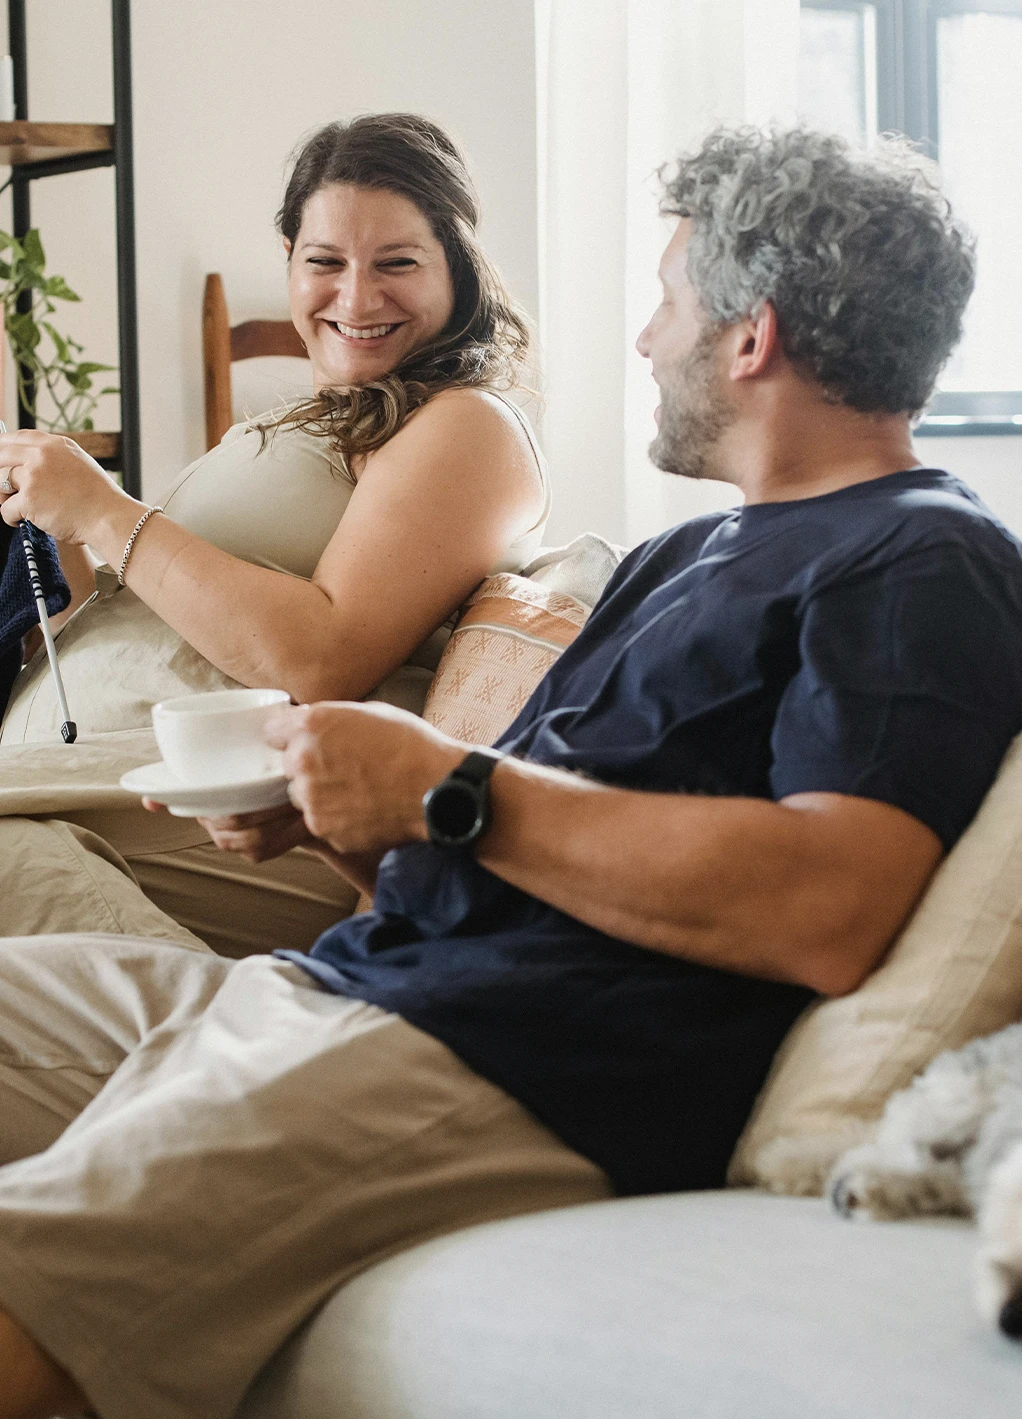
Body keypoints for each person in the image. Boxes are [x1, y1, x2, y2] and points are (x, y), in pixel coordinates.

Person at [0, 124, 1020, 1419]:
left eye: (667, 301)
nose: (646, 339)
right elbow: (490, 850)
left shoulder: (921, 559)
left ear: (749, 334)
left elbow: (828, 906)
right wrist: (347, 821)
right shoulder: (685, 553)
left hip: (504, 1053)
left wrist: (445, 785)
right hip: (336, 981)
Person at [0, 112, 548, 957]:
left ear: (460, 269)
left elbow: (325, 656)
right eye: (324, 262)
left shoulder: (466, 425)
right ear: (289, 260)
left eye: (397, 262)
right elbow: (160, 611)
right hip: (87, 793)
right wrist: (60, 519)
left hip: (203, 827)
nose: (356, 298)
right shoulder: (310, 417)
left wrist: (108, 510)